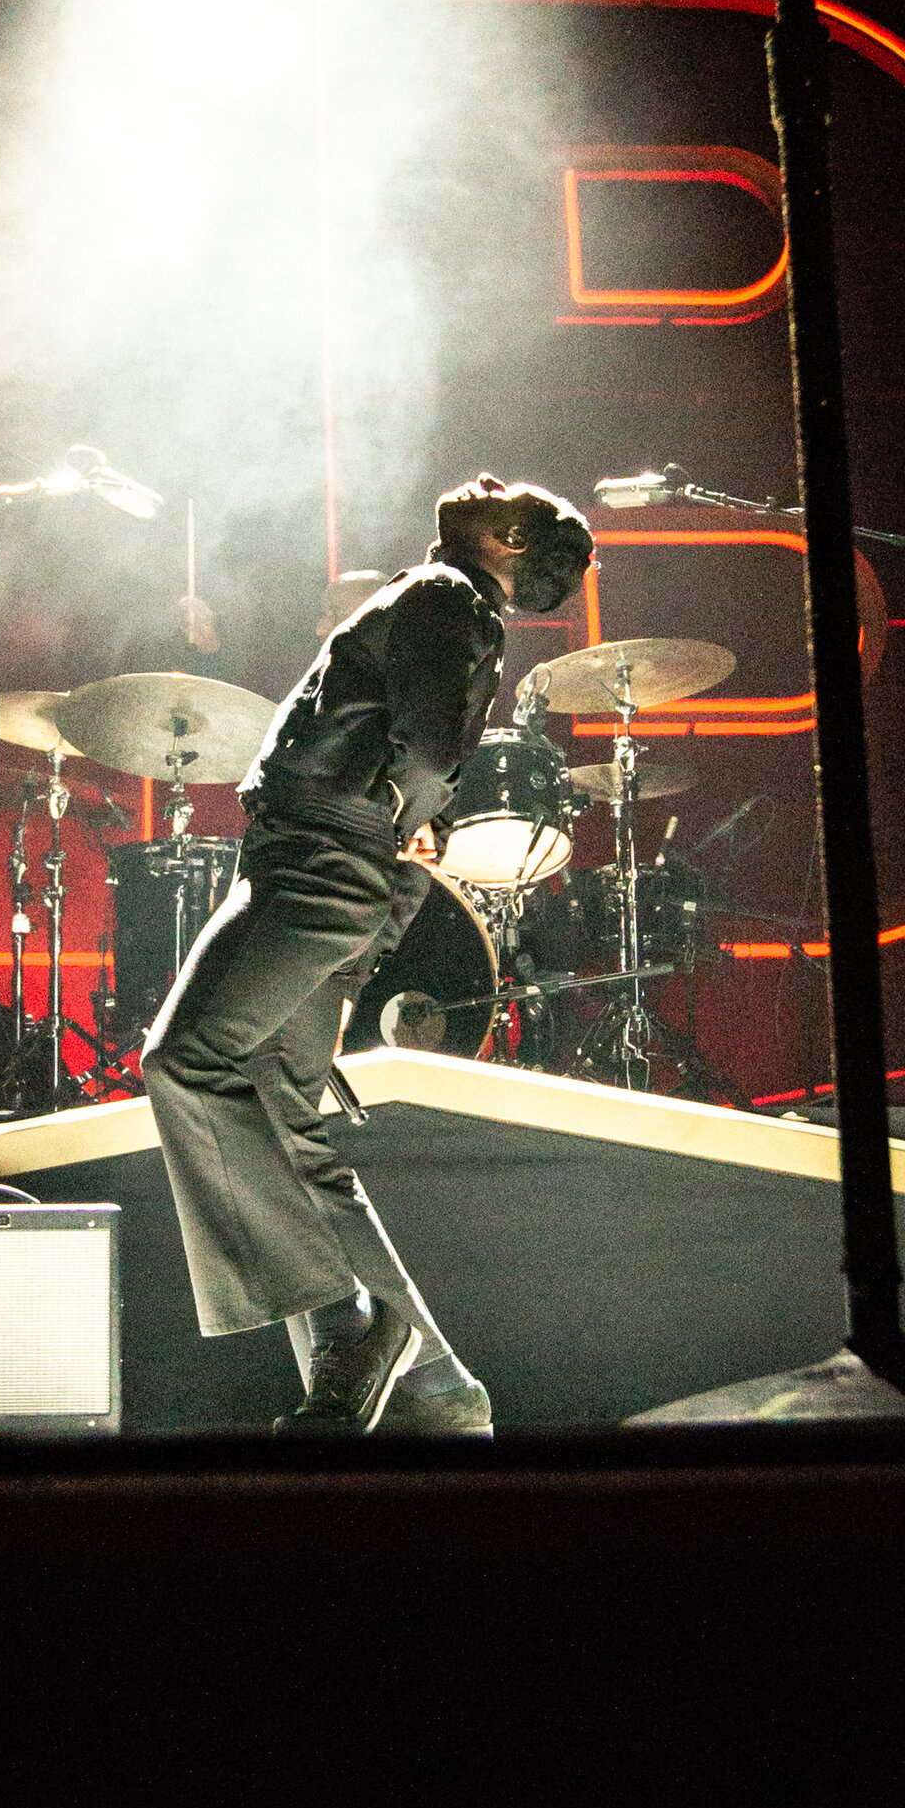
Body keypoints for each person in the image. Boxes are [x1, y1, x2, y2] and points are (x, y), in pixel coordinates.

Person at [142, 474, 594, 1436]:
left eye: (501, 494)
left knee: (186, 1062)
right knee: (288, 1129)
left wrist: (390, 836)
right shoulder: (452, 606)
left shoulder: (442, 594)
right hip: (338, 862)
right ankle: (437, 1391)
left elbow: (427, 758)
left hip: (318, 855)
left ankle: (351, 1325)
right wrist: (390, 870)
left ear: (510, 540)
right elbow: (429, 764)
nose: (481, 485)